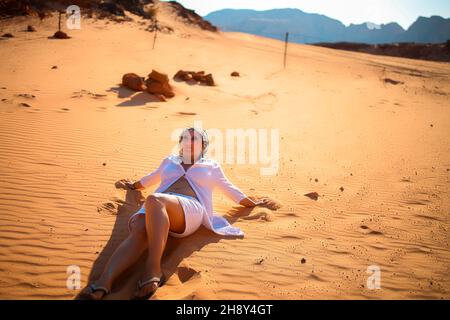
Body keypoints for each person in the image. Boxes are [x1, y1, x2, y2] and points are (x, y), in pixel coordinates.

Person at [79, 127, 270, 300]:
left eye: (195, 138)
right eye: (185, 137)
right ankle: (104, 282)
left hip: (190, 210)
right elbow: (151, 178)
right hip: (157, 207)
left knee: (154, 199)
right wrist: (134, 185)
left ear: (203, 145)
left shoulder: (211, 166)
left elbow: (231, 189)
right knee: (138, 231)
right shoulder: (169, 161)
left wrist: (252, 202)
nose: (189, 141)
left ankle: (153, 268)